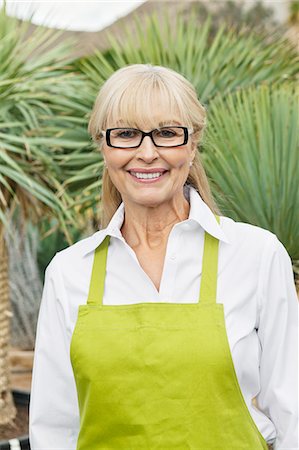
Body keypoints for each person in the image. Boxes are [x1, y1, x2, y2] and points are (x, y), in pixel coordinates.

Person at [29, 64, 298, 450]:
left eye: (168, 133)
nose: (147, 153)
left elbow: (293, 415)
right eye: (125, 134)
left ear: (192, 144)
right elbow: (53, 432)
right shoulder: (69, 272)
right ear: (103, 146)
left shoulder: (256, 255)